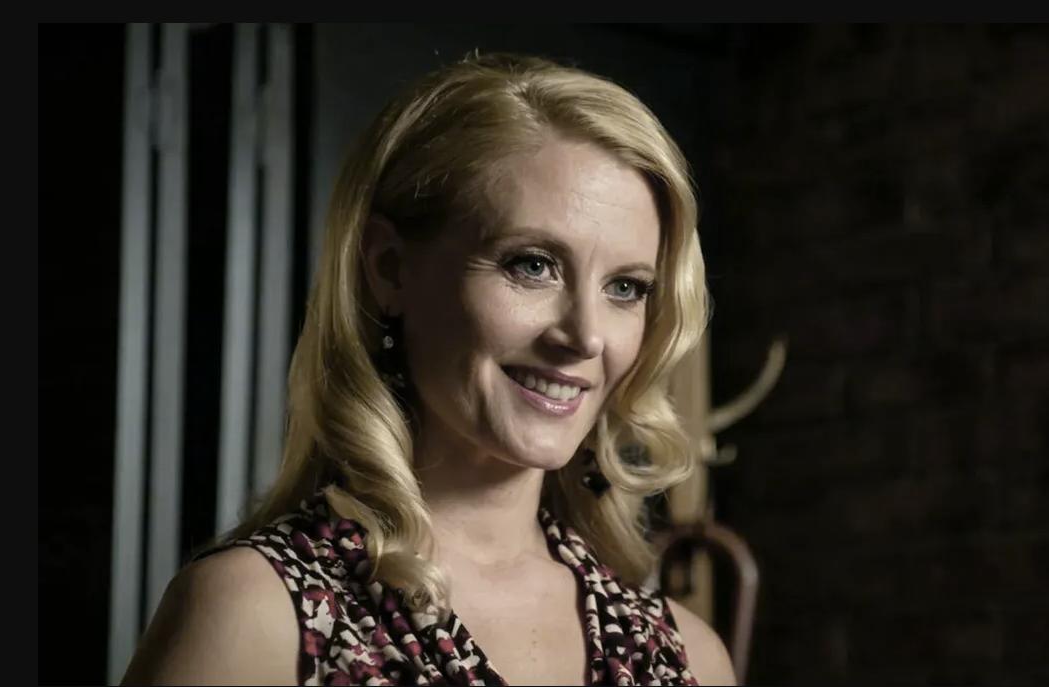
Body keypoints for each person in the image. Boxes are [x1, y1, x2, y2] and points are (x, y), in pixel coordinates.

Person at [121, 52, 736, 686]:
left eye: (626, 288)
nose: (585, 337)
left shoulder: (690, 657)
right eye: (532, 265)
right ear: (389, 268)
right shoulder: (252, 617)